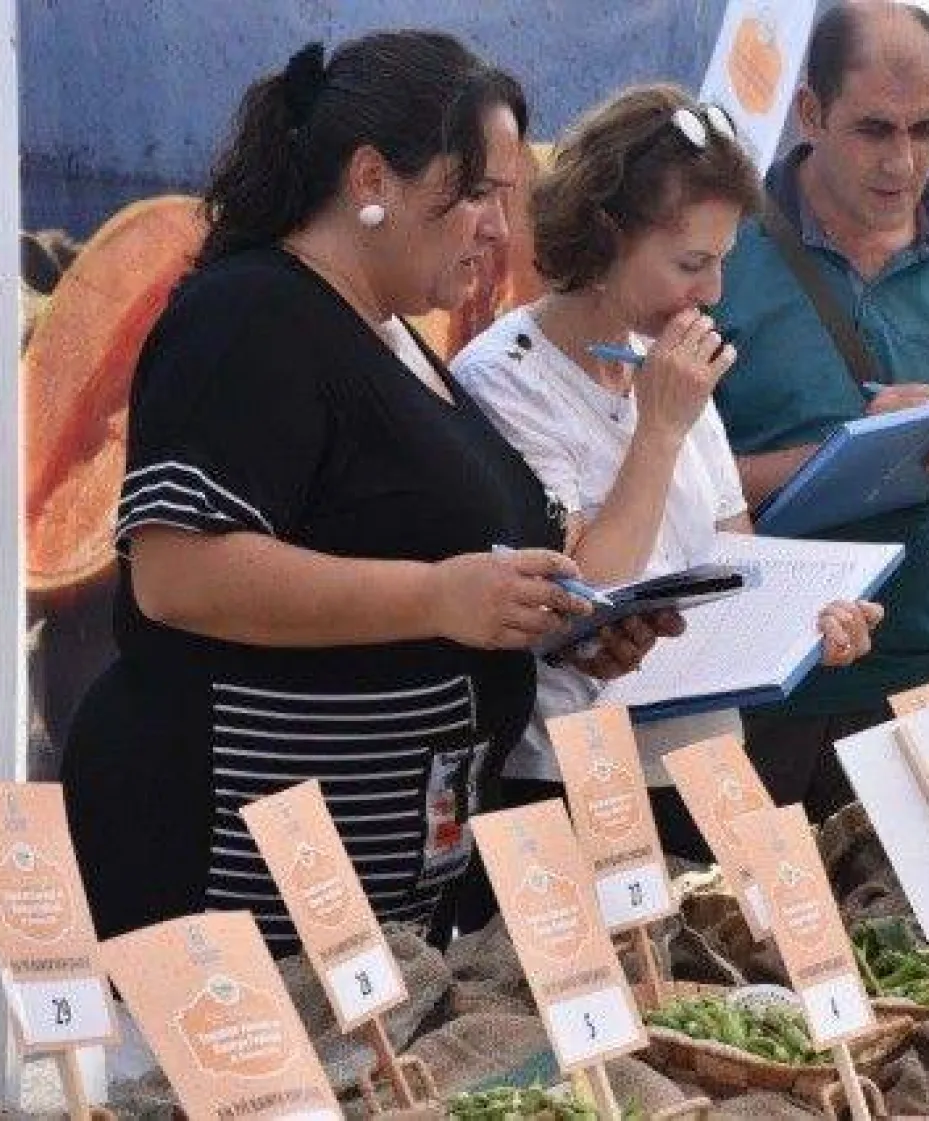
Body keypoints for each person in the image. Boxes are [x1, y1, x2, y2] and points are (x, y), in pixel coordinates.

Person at [61, 32, 666, 950]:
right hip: (236, 868)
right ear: (373, 178)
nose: (503, 230)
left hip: (377, 883)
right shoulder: (249, 314)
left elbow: (441, 560)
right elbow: (178, 574)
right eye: (477, 194)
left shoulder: (391, 336)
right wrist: (439, 598)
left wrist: (560, 626)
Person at [452, 84, 883, 859]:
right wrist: (658, 428)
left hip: (706, 757)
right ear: (606, 234)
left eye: (721, 262)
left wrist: (810, 621)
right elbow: (580, 597)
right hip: (568, 775)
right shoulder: (503, 378)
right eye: (691, 263)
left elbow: (733, 557)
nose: (711, 293)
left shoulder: (664, 359)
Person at [711, 1, 929, 822]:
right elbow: (657, 484)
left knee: (928, 943)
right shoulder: (721, 248)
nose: (903, 161)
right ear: (809, 112)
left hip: (924, 672)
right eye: (873, 129)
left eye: (926, 128)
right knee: (745, 939)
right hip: (755, 683)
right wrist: (845, 452)